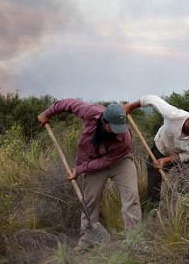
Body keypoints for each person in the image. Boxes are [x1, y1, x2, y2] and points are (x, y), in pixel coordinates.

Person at [38, 100, 142, 253]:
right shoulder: (91, 111)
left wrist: (79, 169)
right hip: (92, 161)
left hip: (120, 161)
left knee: (131, 196)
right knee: (89, 201)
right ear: (103, 120)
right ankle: (87, 239)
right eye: (113, 128)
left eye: (119, 128)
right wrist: (48, 113)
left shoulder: (124, 138)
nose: (116, 132)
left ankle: (134, 241)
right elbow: (68, 104)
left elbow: (105, 161)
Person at [123, 95, 189, 207]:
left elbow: (187, 155)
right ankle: (152, 205)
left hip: (182, 155)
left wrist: (167, 160)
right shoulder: (173, 115)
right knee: (154, 178)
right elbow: (152, 99)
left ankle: (186, 204)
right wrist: (131, 106)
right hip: (162, 148)